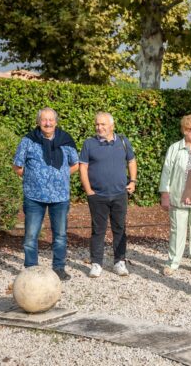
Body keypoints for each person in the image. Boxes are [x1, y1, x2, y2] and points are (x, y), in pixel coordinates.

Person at [12, 107, 79, 281]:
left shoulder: (66, 140)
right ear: (38, 122)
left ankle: (58, 268)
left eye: (50, 120)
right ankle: (30, 269)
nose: (47, 123)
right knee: (31, 235)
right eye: (44, 120)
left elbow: (75, 164)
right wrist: (31, 178)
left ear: (56, 122)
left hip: (60, 196)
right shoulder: (28, 140)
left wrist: (61, 176)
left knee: (60, 235)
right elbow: (17, 165)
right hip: (34, 196)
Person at [79, 111, 137, 278]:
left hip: (120, 194)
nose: (99, 127)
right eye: (97, 124)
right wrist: (89, 191)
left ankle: (120, 262)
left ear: (112, 126)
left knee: (120, 229)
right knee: (98, 230)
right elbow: (83, 167)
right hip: (97, 195)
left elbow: (131, 161)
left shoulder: (124, 142)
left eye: (103, 124)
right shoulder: (89, 143)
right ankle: (96, 263)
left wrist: (132, 181)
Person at [158, 114, 191, 276]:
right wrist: (165, 194)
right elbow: (166, 172)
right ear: (185, 130)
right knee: (177, 230)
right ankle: (173, 262)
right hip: (179, 194)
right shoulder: (174, 148)